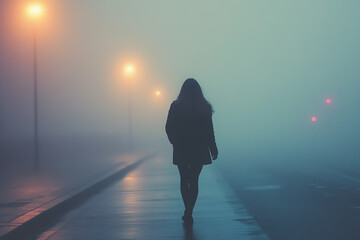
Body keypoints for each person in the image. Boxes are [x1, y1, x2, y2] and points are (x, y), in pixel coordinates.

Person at [165, 78, 218, 223]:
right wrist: (213, 147)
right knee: (194, 180)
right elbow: (209, 131)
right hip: (199, 148)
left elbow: (168, 127)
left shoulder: (176, 106)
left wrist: (174, 141)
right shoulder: (204, 107)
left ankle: (187, 209)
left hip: (182, 147)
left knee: (184, 179)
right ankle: (189, 211)